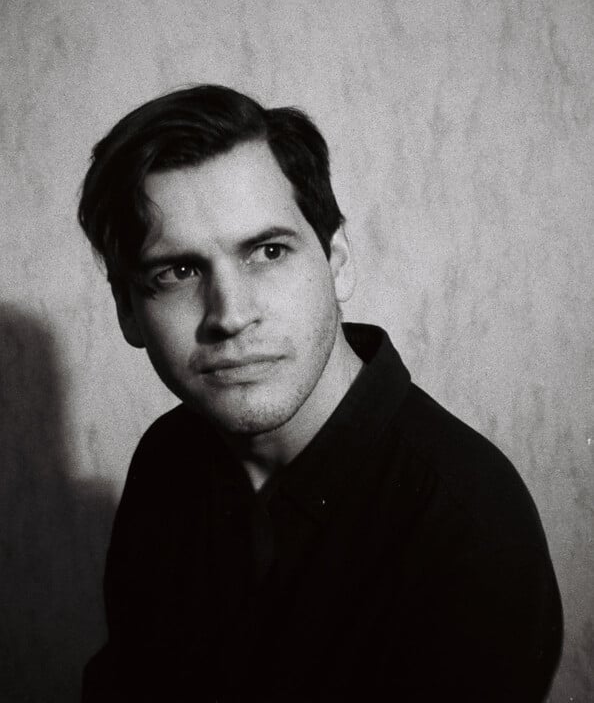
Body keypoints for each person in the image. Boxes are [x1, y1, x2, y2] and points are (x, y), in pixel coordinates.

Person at [78, 85, 562, 702]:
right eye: (178, 271)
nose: (230, 315)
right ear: (126, 310)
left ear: (337, 262)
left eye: (268, 251)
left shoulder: (468, 524)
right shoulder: (167, 457)